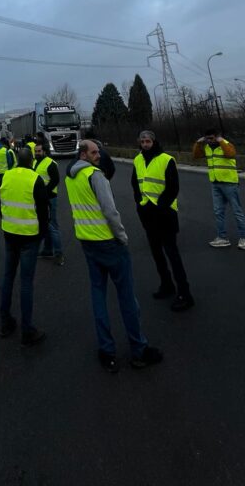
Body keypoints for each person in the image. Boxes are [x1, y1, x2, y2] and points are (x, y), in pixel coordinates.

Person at [67, 140, 163, 373]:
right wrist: (122, 236)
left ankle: (106, 350)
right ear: (83, 154)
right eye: (94, 152)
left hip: (87, 242)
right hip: (108, 243)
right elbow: (110, 211)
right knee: (127, 297)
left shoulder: (71, 176)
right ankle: (139, 349)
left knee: (98, 296)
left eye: (98, 151)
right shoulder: (95, 176)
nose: (98, 155)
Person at [131, 130, 194, 311]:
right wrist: (140, 203)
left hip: (164, 213)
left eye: (148, 141)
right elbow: (135, 183)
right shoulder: (137, 160)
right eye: (142, 141)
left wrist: (160, 205)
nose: (145, 144)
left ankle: (185, 294)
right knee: (156, 253)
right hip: (146, 213)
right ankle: (166, 285)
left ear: (154, 141)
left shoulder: (166, 159)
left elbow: (173, 187)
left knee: (172, 254)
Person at [0, 147, 49, 347]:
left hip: (9, 234)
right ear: (31, 162)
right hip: (29, 237)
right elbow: (44, 211)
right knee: (26, 282)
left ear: (17, 161)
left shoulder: (7, 177)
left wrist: (8, 220)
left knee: (8, 277)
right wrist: (42, 234)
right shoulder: (35, 179)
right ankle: (27, 330)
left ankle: (5, 322)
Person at [194, 127, 245, 249]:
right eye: (207, 139)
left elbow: (230, 154)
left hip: (230, 183)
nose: (209, 141)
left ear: (217, 136)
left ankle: (244, 238)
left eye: (212, 138)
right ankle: (222, 237)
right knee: (218, 212)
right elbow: (196, 155)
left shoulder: (226, 145)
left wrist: (221, 141)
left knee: (237, 211)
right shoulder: (208, 148)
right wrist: (198, 143)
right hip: (215, 183)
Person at [33, 141, 64, 265]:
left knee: (52, 226)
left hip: (50, 198)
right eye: (35, 151)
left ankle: (59, 253)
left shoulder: (51, 163)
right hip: (39, 199)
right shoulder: (35, 162)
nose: (37, 153)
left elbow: (55, 180)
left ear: (44, 151)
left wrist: (44, 192)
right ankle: (47, 250)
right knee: (44, 225)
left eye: (39, 151)